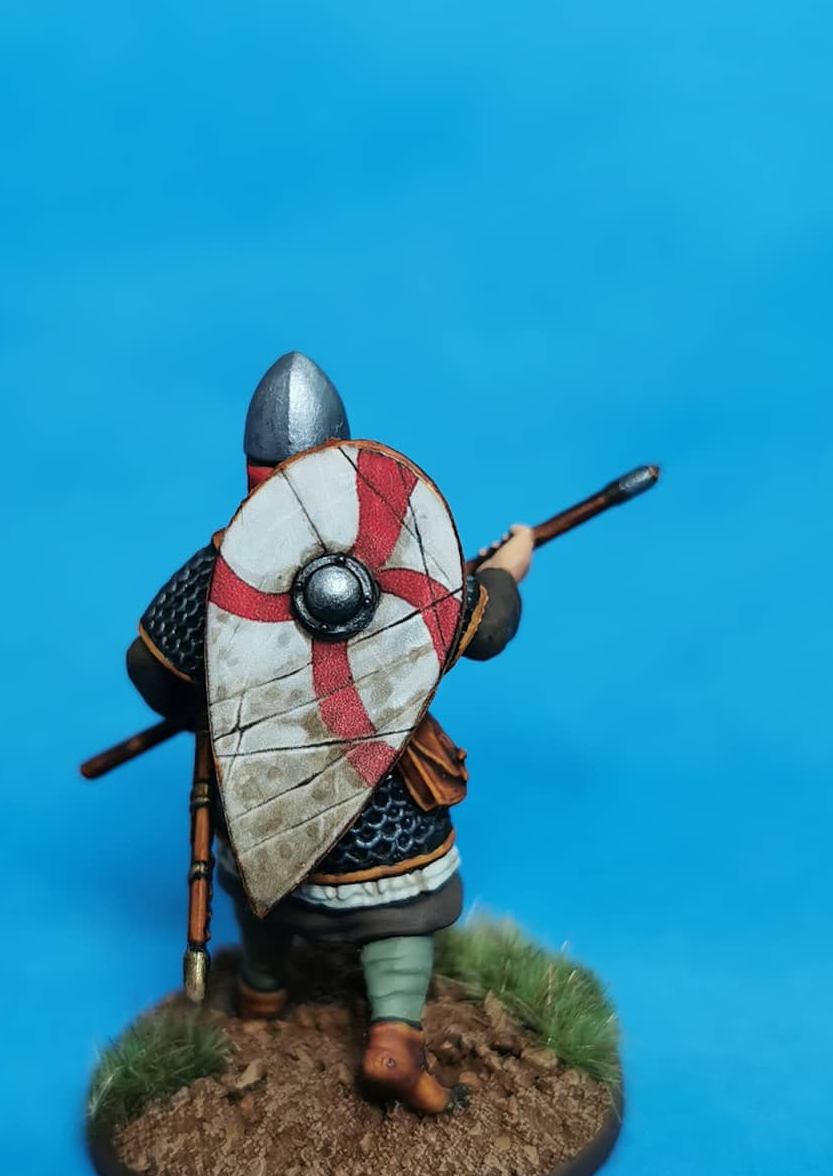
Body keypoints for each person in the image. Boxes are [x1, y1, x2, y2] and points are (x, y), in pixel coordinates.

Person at [126, 352, 532, 1113]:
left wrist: (211, 710)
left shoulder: (215, 570)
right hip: (382, 792)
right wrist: (509, 567)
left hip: (265, 780)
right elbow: (486, 628)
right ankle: (394, 1033)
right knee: (400, 913)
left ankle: (262, 990)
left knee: (263, 876)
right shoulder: (391, 565)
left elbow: (151, 669)